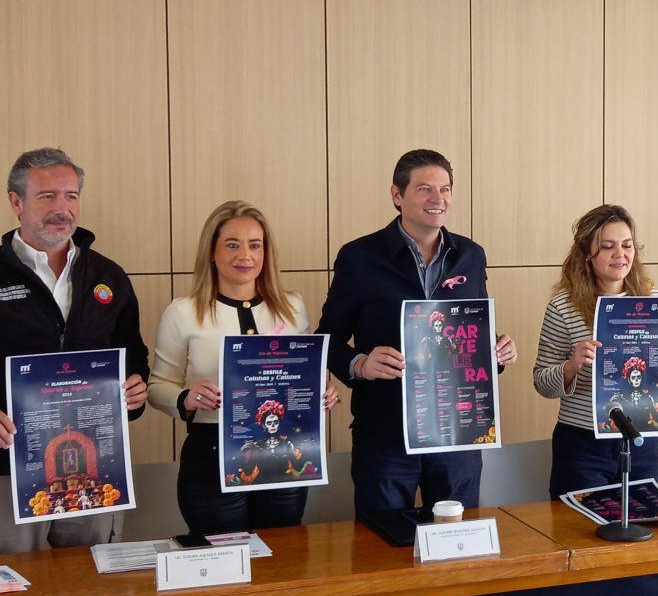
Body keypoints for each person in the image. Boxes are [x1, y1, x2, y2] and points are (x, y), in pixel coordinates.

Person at [316, 149, 518, 517]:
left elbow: (472, 330)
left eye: (445, 188)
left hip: (458, 432)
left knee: (456, 537)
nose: (437, 198)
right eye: (424, 188)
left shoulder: (470, 255)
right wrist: (360, 364)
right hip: (385, 433)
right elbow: (326, 339)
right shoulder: (360, 257)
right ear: (397, 195)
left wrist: (497, 351)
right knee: (381, 539)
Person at [148, 201, 339, 534]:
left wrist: (323, 391)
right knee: (222, 556)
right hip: (210, 455)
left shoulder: (292, 307)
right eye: (232, 245)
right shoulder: (183, 312)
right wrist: (187, 398)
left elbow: (308, 372)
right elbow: (157, 387)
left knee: (282, 555)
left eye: (255, 245)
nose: (245, 255)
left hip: (283, 457)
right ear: (212, 252)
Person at [0, 147, 149, 553]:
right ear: (16, 202)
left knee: (92, 577)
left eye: (70, 196)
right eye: (47, 196)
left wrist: (136, 388)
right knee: (15, 584)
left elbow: (133, 354)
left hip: (96, 470)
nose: (61, 208)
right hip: (9, 471)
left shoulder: (107, 275)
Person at [533, 205, 658, 499]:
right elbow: (542, 382)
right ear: (587, 253)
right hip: (583, 443)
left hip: (641, 437)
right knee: (580, 523)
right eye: (607, 246)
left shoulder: (653, 301)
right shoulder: (563, 306)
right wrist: (571, 365)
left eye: (627, 245)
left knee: (644, 520)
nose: (620, 254)